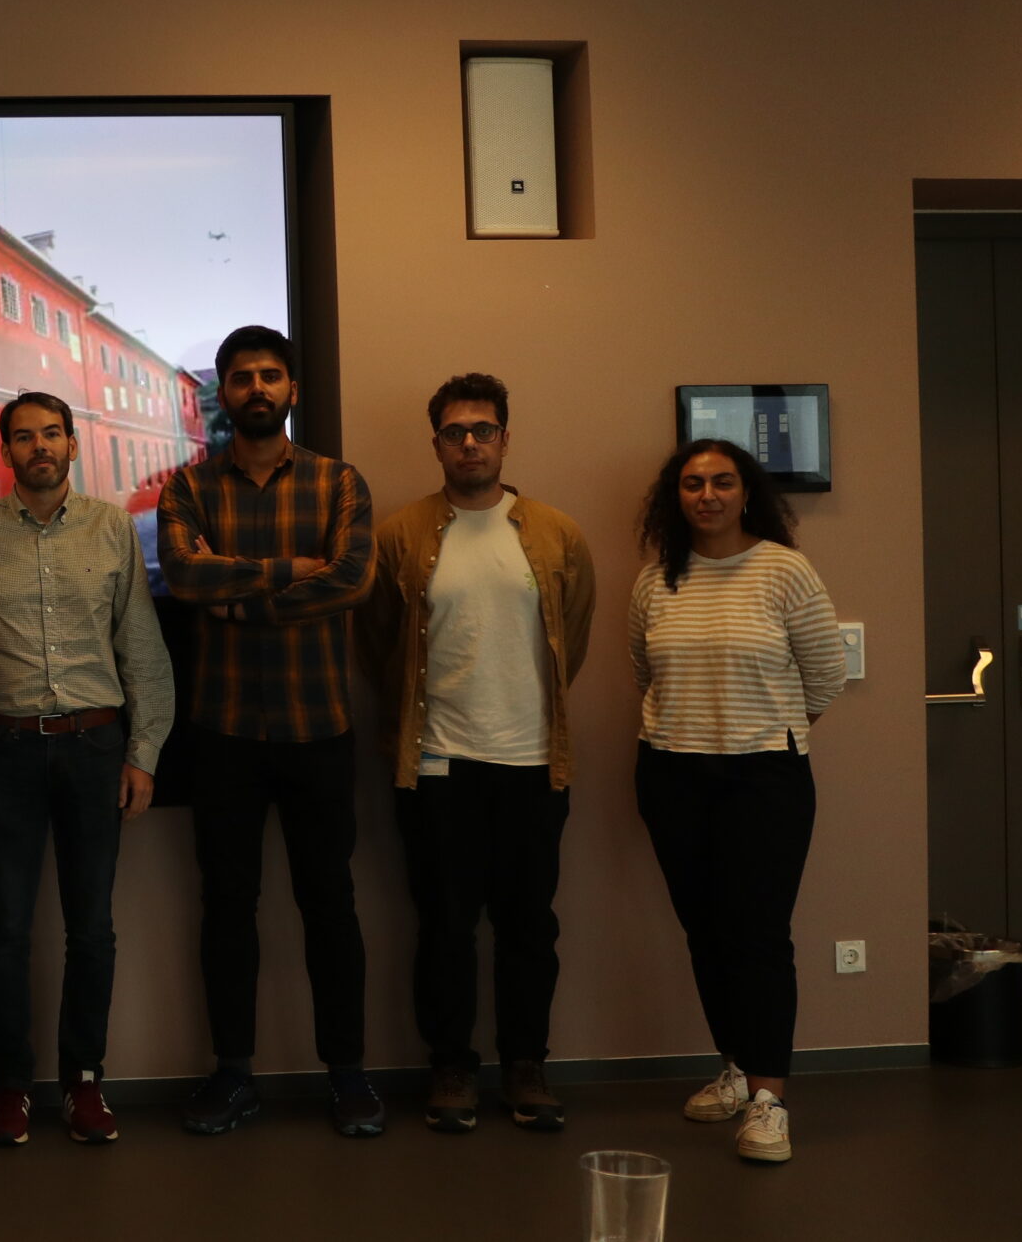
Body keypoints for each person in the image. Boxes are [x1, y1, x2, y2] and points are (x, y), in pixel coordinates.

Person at [158, 325, 381, 1138]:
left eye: (271, 376)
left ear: (293, 389)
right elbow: (184, 574)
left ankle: (349, 1074)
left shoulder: (338, 481)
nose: (257, 388)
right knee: (227, 908)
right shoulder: (187, 488)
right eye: (242, 377)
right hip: (222, 733)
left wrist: (239, 591)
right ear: (223, 391)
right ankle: (233, 1073)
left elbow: (354, 577)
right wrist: (299, 574)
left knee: (331, 904)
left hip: (318, 727)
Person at [358, 373, 593, 1135]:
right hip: (436, 766)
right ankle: (451, 1066)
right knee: (445, 925)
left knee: (530, 926)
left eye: (482, 429)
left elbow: (575, 636)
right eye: (455, 431)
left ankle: (527, 1065)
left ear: (504, 438)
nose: (469, 442)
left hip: (531, 761)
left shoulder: (556, 532)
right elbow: (381, 644)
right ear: (436, 443)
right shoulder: (401, 533)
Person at [0, 392, 175, 1148]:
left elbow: (139, 646)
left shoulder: (111, 526)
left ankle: (84, 1081)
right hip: (5, 751)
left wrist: (143, 753)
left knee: (93, 929)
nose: (38, 446)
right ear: (5, 453)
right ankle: (9, 1085)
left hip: (94, 748)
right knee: (4, 929)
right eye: (23, 437)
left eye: (51, 434)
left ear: (74, 445)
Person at [630, 438, 845, 1165]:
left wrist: (756, 730)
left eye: (723, 481)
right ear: (677, 495)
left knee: (757, 935)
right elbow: (643, 669)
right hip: (671, 776)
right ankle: (734, 1063)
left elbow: (824, 676)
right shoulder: (656, 581)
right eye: (693, 483)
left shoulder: (785, 571)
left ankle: (769, 1099)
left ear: (745, 491)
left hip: (765, 779)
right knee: (705, 932)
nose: (708, 495)